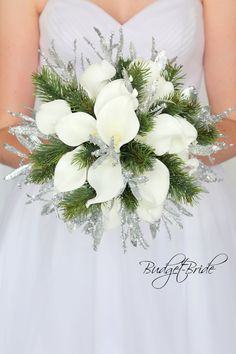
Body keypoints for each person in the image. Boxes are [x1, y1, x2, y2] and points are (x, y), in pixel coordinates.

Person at [0, 0, 236, 353]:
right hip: (64, 213)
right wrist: (77, 158)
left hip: (180, 211)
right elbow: (6, 127)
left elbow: (231, 121)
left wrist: (157, 155)